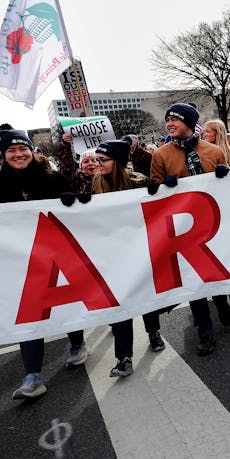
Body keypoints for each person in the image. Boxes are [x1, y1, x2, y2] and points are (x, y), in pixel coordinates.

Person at [0, 128, 89, 399]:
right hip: (23, 260)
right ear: (3, 156)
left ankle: (77, 344)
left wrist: (71, 201)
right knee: (29, 314)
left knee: (65, 303)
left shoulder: (53, 179)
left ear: (31, 151)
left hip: (57, 256)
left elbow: (75, 215)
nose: (18, 154)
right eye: (11, 151)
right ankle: (32, 375)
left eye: (22, 149)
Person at [151, 103, 230, 354]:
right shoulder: (160, 155)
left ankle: (221, 301)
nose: (170, 124)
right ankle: (205, 330)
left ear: (188, 122)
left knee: (213, 271)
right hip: (182, 228)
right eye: (168, 120)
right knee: (192, 280)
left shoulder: (214, 151)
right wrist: (162, 186)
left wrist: (225, 174)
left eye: (175, 119)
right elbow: (152, 193)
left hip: (213, 224)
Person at [90, 137, 151, 375]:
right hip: (111, 256)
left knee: (147, 298)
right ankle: (124, 357)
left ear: (118, 162)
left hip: (139, 251)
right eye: (97, 159)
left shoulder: (139, 183)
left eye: (103, 160)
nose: (98, 164)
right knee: (119, 305)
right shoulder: (95, 184)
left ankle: (153, 331)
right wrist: (76, 202)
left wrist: (159, 190)